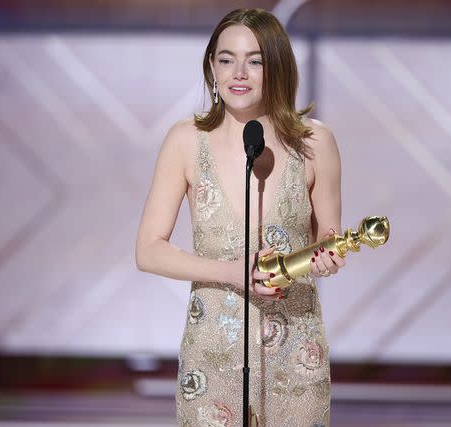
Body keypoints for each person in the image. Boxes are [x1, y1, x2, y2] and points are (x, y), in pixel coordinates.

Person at [136, 8, 344, 426]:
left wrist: (330, 257)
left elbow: (329, 238)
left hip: (295, 353)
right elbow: (148, 251)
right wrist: (230, 272)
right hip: (212, 349)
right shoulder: (185, 141)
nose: (239, 72)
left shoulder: (315, 142)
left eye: (255, 60)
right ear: (212, 66)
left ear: (277, 67)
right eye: (226, 58)